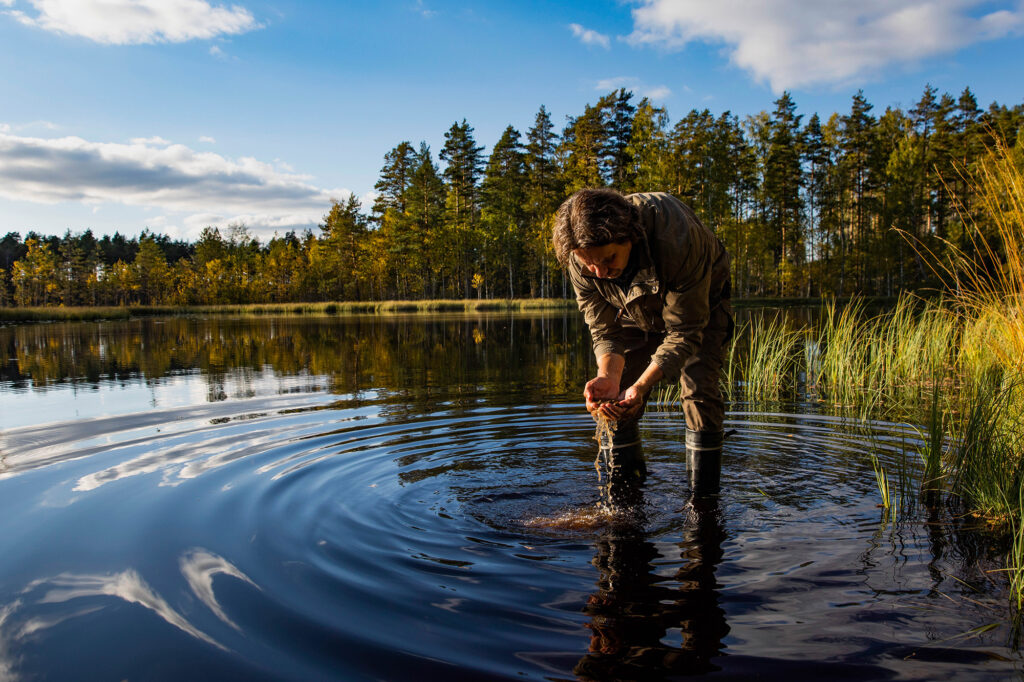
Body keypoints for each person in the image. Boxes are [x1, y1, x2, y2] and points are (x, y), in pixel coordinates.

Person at [552, 188, 733, 494]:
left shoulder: (675, 237)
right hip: (630, 308)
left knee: (699, 390)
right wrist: (609, 377)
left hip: (700, 305)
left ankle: (702, 503)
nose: (600, 273)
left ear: (630, 237)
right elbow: (604, 330)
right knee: (615, 401)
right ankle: (624, 496)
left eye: (609, 259)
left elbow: (684, 332)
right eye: (590, 265)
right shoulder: (580, 257)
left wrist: (642, 385)